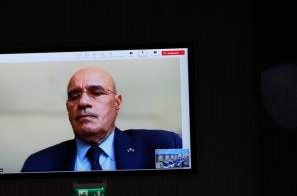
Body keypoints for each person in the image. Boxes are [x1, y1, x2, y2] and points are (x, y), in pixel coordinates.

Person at [21, 67, 183, 172]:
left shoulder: (166, 145)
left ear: (117, 103)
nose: (83, 102)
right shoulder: (37, 165)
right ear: (67, 108)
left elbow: (185, 194)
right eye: (74, 95)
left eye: (96, 92)